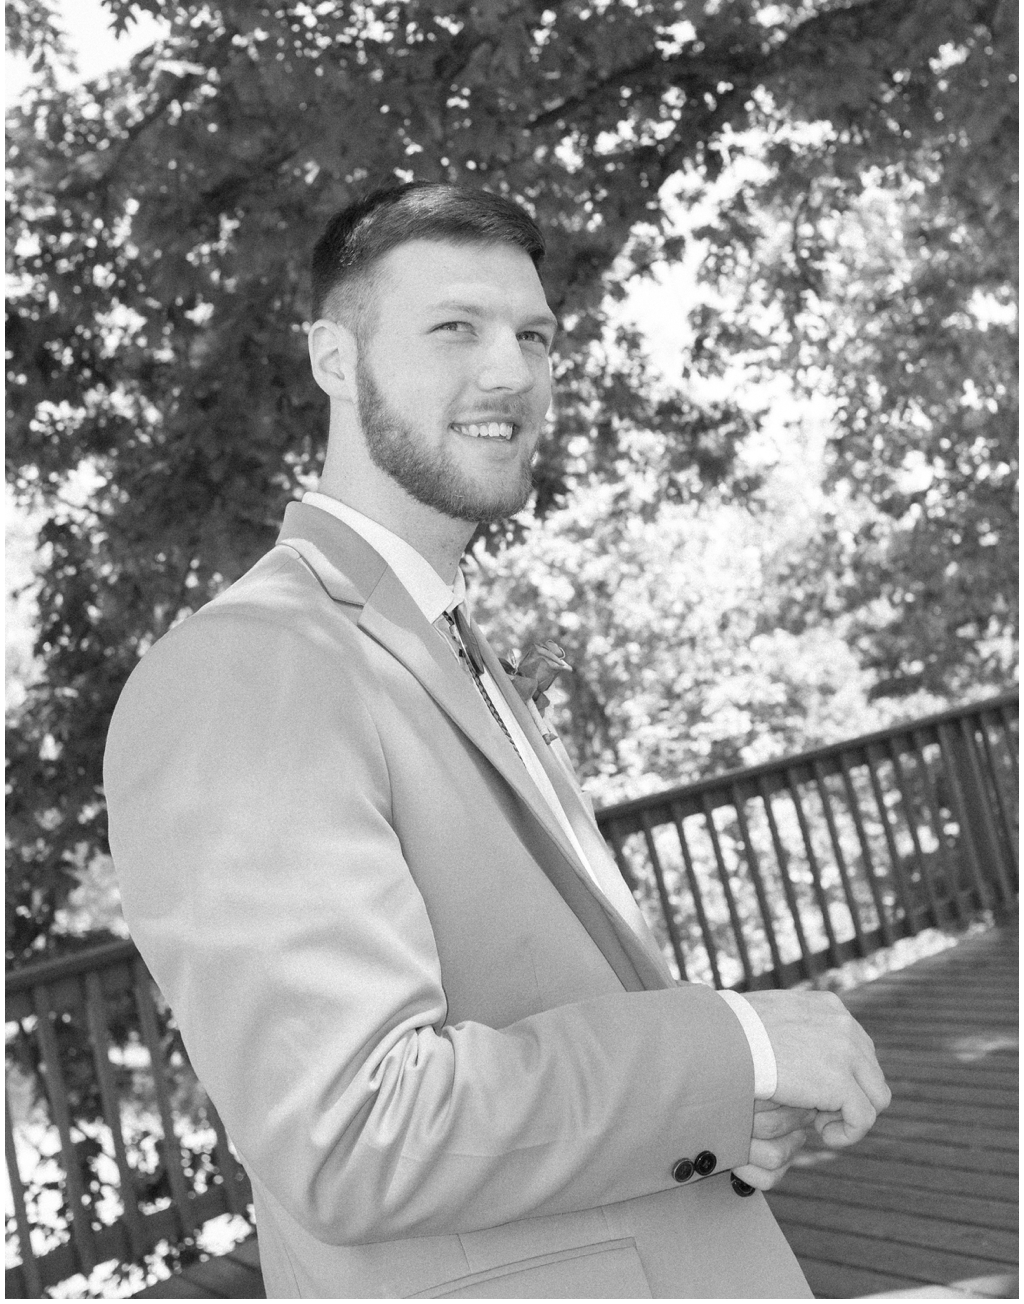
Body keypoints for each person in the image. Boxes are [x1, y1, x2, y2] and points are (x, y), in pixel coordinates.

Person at [104, 183, 889, 1300]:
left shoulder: (438, 636)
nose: (511, 371)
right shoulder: (252, 664)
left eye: (535, 336)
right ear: (335, 357)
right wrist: (733, 1044)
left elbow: (534, 1022)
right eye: (453, 329)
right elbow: (355, 1130)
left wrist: (720, 1110)